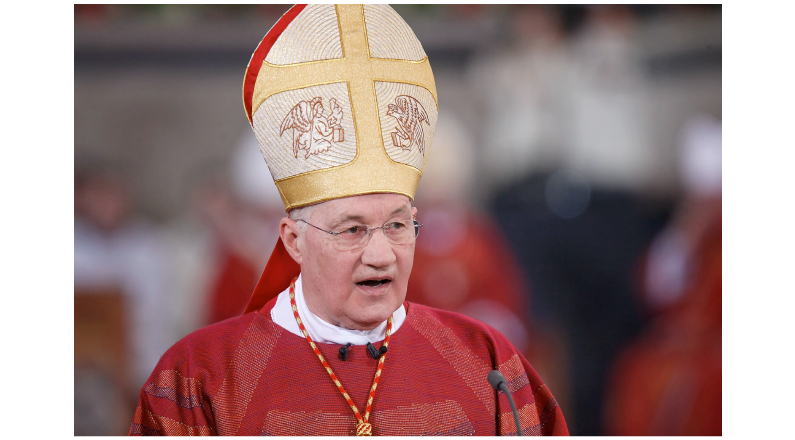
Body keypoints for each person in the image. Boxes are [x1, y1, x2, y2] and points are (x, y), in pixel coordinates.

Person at [129, 4, 568, 436]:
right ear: (293, 240)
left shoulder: (487, 362)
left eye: (397, 226)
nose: (381, 256)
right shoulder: (199, 377)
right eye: (352, 229)